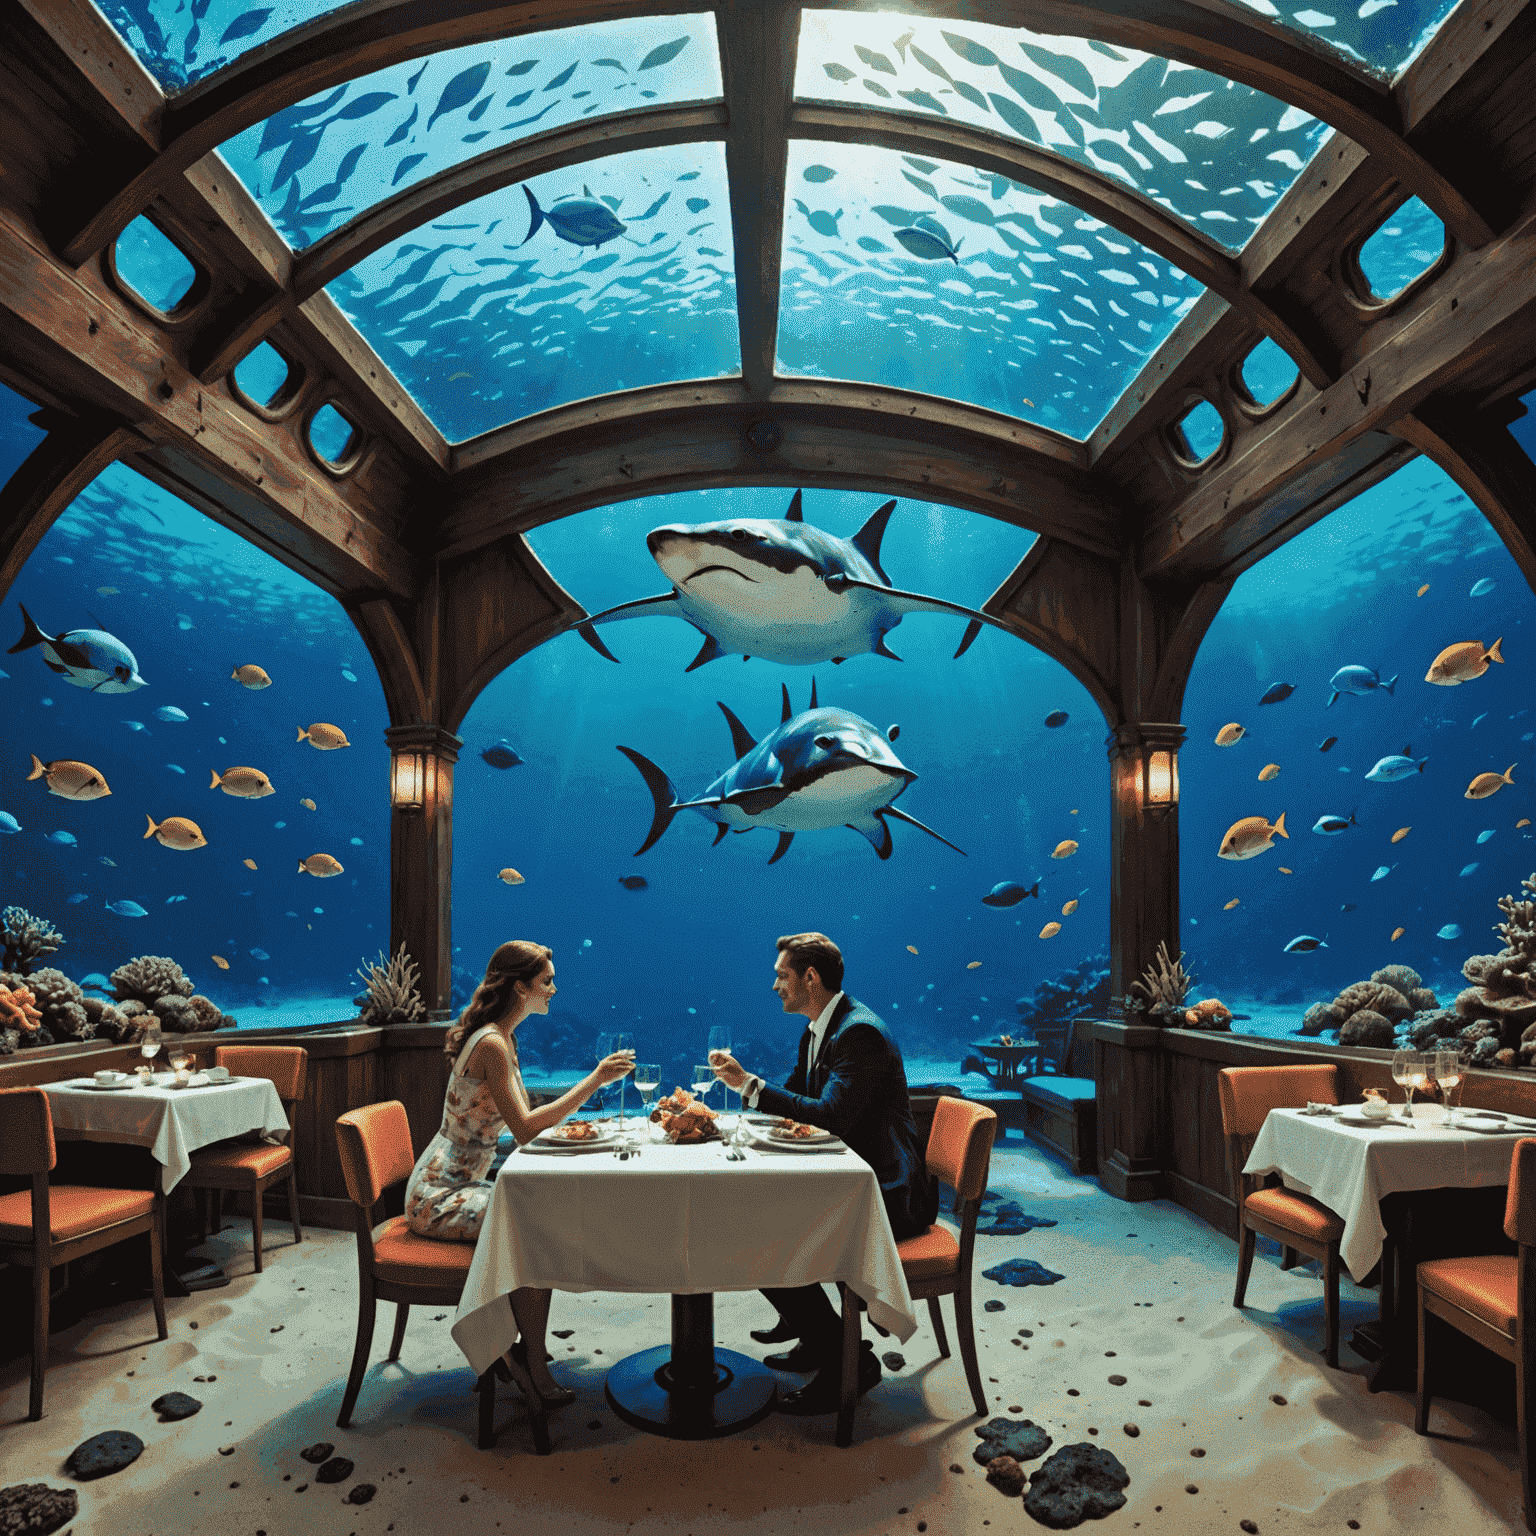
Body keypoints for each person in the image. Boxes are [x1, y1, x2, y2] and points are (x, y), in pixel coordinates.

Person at [709, 931, 938, 1416]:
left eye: (781, 976)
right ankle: (819, 1338)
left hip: (889, 1193)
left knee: (760, 1237)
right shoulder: (818, 1028)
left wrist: (748, 1084)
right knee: (753, 1221)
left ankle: (846, 1359)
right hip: (853, 1181)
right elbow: (795, 1101)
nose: (775, 986)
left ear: (810, 978)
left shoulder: (860, 1032)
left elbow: (830, 1117)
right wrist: (734, 1118)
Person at [404, 940, 634, 1407]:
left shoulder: (500, 1037)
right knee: (534, 1228)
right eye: (546, 981)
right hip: (438, 1195)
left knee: (539, 1219)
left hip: (460, 1180)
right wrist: (594, 1081)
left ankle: (529, 1350)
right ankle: (526, 1360)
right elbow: (527, 1130)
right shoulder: (491, 1043)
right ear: (520, 987)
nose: (554, 988)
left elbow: (515, 1122)